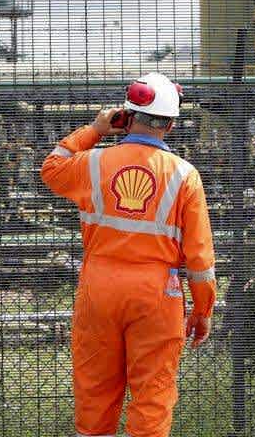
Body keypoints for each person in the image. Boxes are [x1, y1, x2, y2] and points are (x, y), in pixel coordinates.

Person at [41, 72, 217, 437]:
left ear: (127, 115)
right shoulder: (185, 176)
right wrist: (202, 311)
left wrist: (94, 130)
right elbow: (200, 260)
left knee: (96, 393)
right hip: (156, 294)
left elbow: (51, 168)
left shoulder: (92, 164)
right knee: (152, 395)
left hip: (98, 289)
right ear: (170, 124)